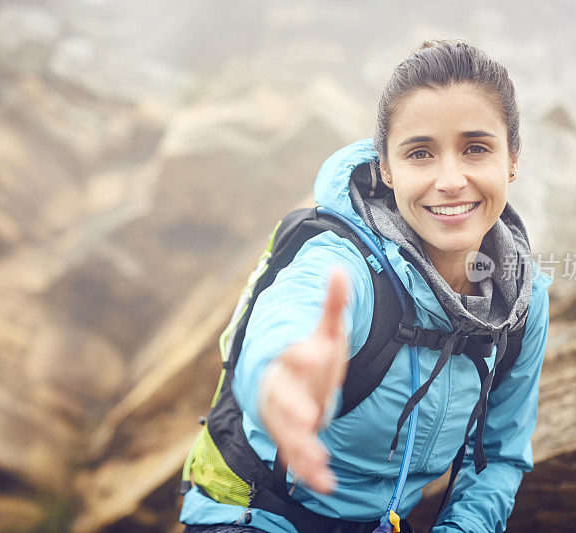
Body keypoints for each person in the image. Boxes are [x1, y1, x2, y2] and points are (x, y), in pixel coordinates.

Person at [180, 39, 552, 533]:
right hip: (252, 511)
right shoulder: (344, 266)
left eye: (476, 148)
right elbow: (289, 321)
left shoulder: (519, 301)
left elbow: (499, 456)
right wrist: (281, 384)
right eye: (420, 153)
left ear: (512, 159)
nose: (450, 179)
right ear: (386, 169)